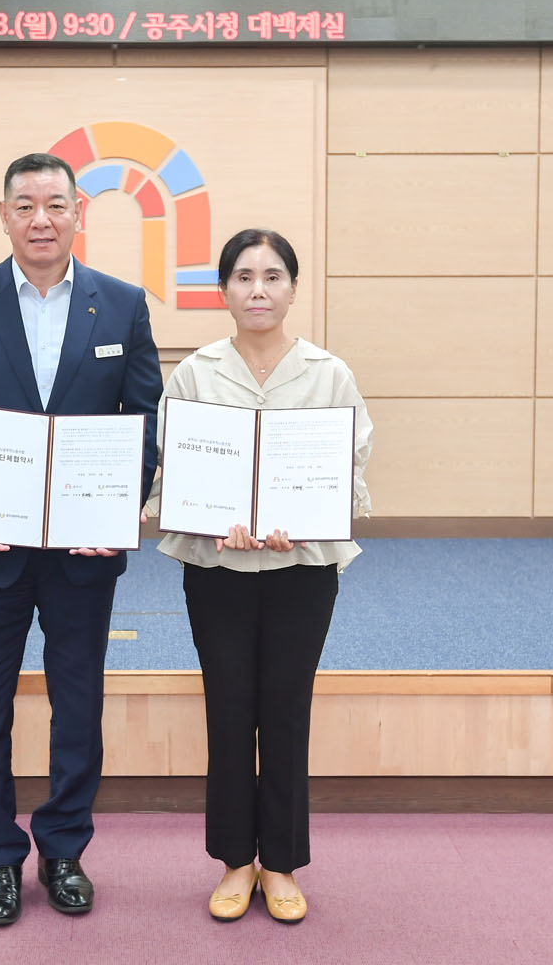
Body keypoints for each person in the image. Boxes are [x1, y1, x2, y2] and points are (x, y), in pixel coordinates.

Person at [0, 152, 163, 927]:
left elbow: (143, 419)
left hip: (84, 552)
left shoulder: (122, 305)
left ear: (79, 212)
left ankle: (63, 849)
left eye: (56, 204)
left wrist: (118, 508)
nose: (42, 220)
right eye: (26, 206)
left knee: (77, 705)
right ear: (4, 216)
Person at [145, 228, 372, 924]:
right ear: (224, 290)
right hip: (218, 569)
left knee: (285, 712)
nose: (259, 290)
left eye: (273, 277)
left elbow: (351, 474)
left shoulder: (329, 374)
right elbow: (170, 472)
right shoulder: (195, 374)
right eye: (244, 277)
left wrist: (304, 518)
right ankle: (234, 862)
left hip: (302, 568)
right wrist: (207, 518)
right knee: (228, 711)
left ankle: (280, 864)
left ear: (293, 289)